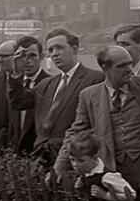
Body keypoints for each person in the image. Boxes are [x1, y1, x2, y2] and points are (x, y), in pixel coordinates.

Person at [53, 45, 140, 191]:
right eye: (121, 66)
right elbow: (76, 131)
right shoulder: (89, 95)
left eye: (130, 63)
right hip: (114, 168)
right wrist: (60, 164)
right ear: (104, 68)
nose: (129, 69)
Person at [11, 27, 104, 164]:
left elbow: (98, 124)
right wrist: (17, 73)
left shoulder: (95, 79)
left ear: (74, 49)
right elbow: (19, 103)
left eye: (59, 48)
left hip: (74, 158)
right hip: (40, 157)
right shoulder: (46, 84)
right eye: (50, 50)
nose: (54, 54)